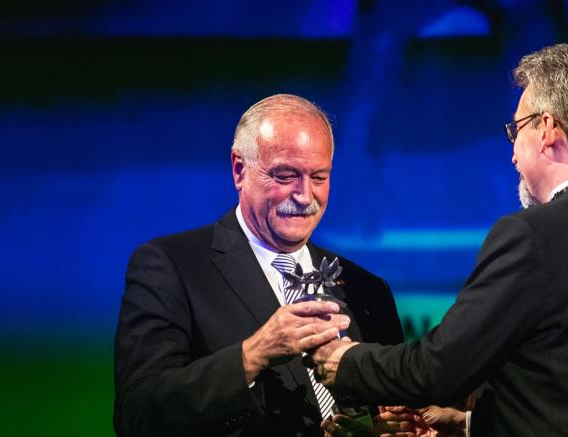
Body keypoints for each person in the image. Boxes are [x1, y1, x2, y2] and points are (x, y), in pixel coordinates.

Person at [309, 42, 568, 436]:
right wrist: (469, 425)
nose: (512, 154)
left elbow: (440, 369)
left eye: (516, 129)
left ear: (547, 129)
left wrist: (346, 361)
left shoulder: (533, 236)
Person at [113, 94, 407, 436]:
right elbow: (137, 414)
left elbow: (392, 414)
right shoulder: (170, 266)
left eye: (318, 177)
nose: (304, 195)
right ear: (240, 170)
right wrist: (253, 353)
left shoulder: (367, 290)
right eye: (286, 176)